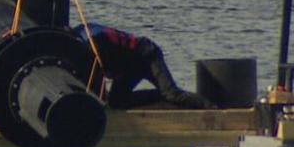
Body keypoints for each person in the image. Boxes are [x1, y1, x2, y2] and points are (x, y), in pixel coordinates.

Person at [76, 23, 211, 110]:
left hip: (146, 55)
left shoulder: (95, 38)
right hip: (128, 67)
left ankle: (210, 106)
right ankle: (159, 96)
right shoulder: (81, 37)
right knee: (116, 103)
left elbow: (106, 63)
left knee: (172, 94)